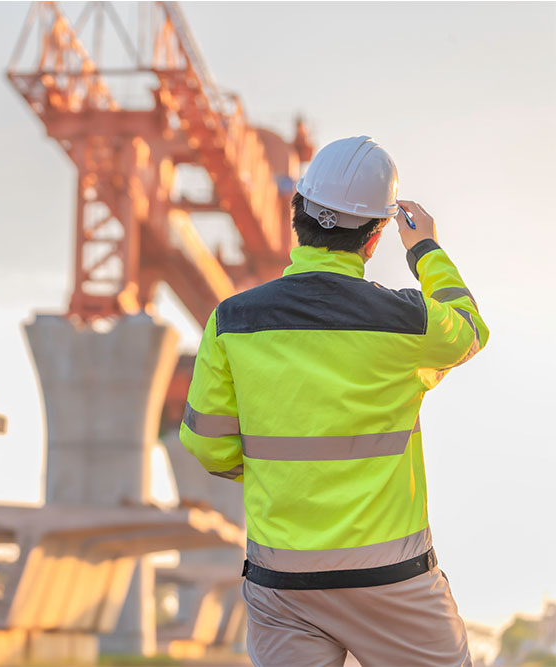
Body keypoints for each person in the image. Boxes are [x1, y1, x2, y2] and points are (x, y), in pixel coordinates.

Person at [179, 136, 487, 666]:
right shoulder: (406, 321)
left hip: (282, 583)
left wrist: (284, 474)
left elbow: (207, 447)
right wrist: (426, 251)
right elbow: (469, 328)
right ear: (375, 238)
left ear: (295, 211)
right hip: (390, 579)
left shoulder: (231, 321)